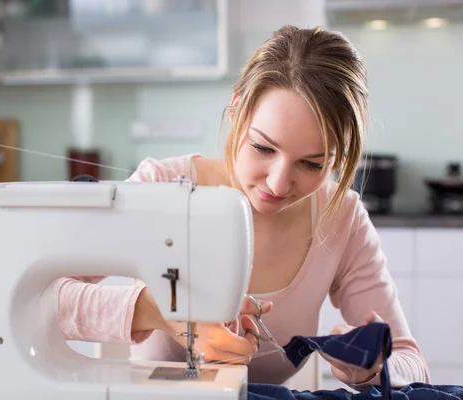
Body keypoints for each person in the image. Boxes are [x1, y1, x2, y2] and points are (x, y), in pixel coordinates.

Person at [54, 25, 431, 390]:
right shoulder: (161, 187)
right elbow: (34, 296)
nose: (279, 184)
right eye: (263, 148)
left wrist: (372, 368)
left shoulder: (342, 217)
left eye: (313, 163)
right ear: (236, 113)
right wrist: (155, 311)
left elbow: (410, 361)